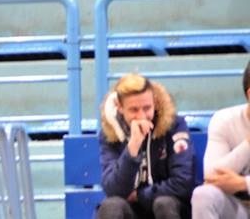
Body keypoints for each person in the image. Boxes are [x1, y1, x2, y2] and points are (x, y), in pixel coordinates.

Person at [97, 73, 194, 218]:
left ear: (155, 102)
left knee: (164, 204)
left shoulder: (173, 125)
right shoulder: (111, 134)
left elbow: (182, 182)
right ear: (119, 107)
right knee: (111, 206)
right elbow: (113, 190)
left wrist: (140, 195)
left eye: (147, 108)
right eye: (134, 110)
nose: (141, 116)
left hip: (169, 207)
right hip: (130, 211)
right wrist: (133, 147)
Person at [190, 60, 250, 218]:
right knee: (203, 195)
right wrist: (248, 144)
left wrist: (243, 183)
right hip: (237, 207)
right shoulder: (225, 119)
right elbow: (211, 176)